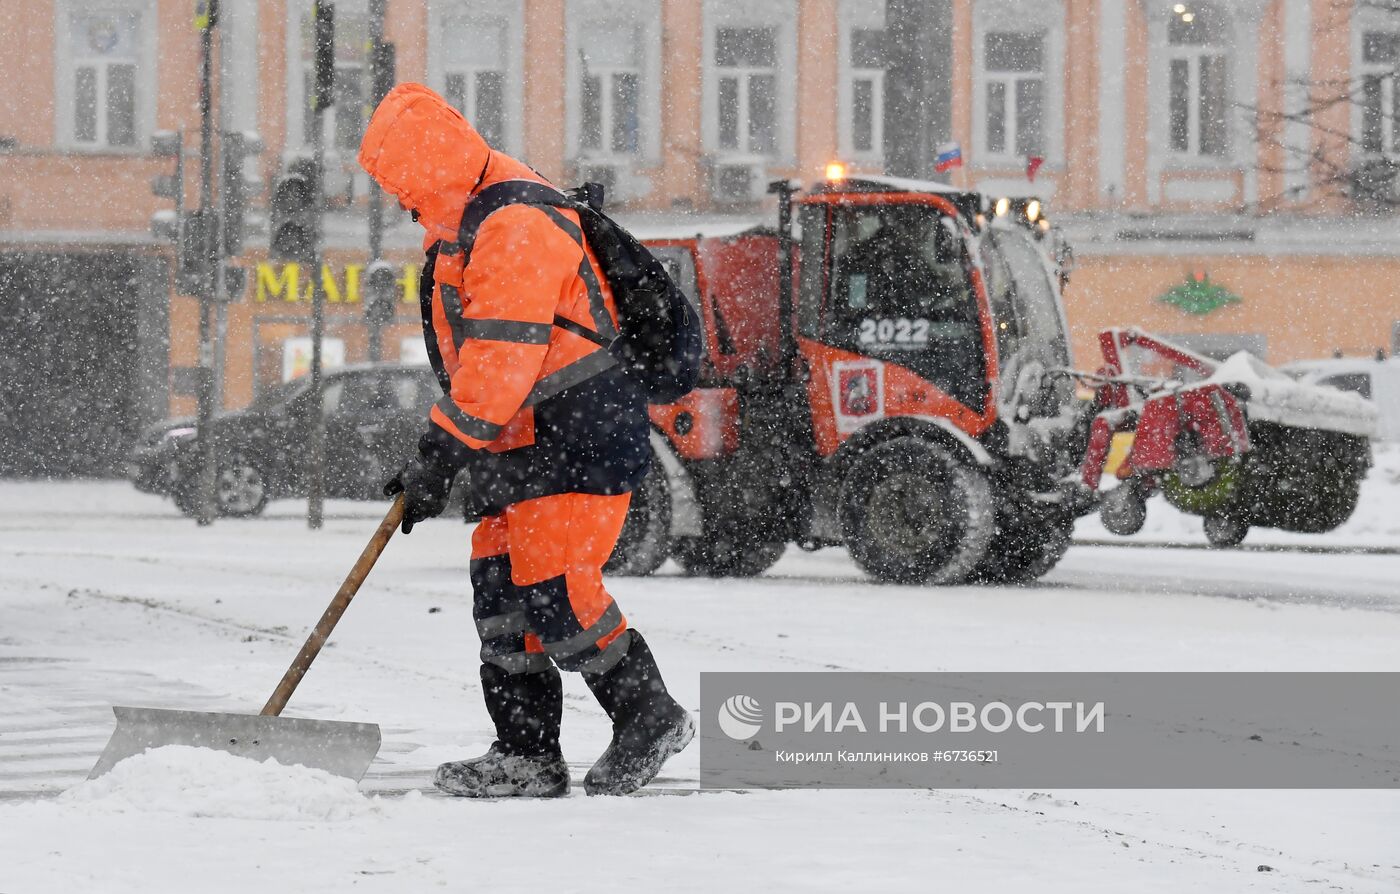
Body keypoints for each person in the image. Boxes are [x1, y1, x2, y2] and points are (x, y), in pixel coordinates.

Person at [357, 83, 693, 798]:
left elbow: (502, 358)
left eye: (402, 185)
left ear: (428, 170)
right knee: (503, 594)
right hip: (520, 438)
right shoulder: (461, 229)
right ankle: (526, 754)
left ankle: (648, 712)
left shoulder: (517, 223)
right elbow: (478, 366)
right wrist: (440, 460)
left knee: (557, 589)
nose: (399, 202)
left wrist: (440, 456)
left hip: (580, 428)